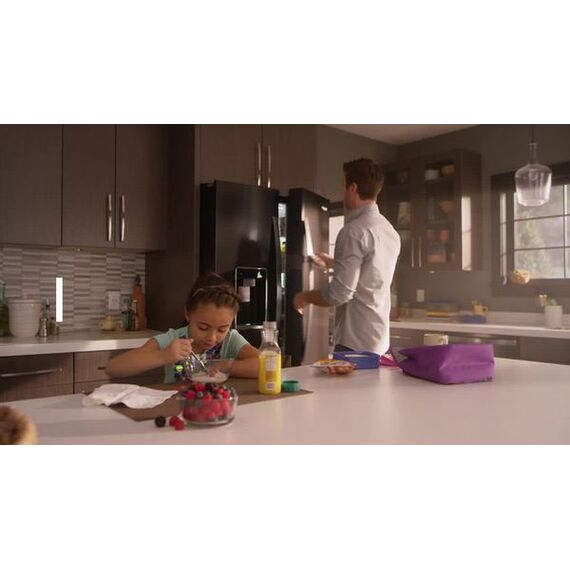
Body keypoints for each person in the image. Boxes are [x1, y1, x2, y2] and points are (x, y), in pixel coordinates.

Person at [293, 158, 401, 355]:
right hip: (379, 341)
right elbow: (370, 273)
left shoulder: (353, 231)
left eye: (343, 185)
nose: (342, 191)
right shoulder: (389, 231)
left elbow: (339, 294)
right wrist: (334, 263)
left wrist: (305, 296)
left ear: (353, 188)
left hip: (354, 342)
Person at [106, 273, 259, 382]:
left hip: (215, 408)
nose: (212, 338)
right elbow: (113, 368)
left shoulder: (231, 339)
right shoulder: (172, 339)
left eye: (221, 329)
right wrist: (163, 356)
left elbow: (264, 365)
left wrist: (224, 366)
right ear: (187, 313)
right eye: (203, 327)